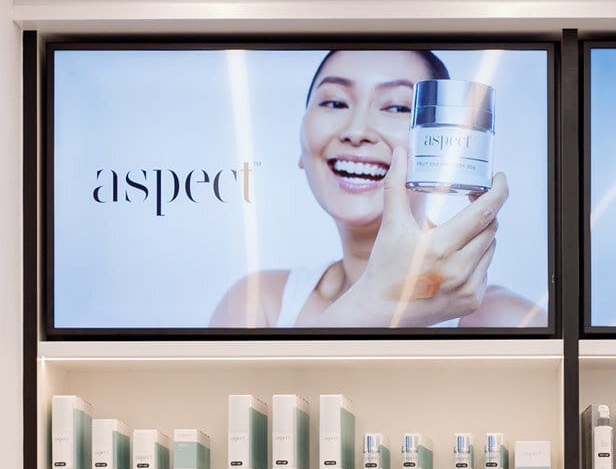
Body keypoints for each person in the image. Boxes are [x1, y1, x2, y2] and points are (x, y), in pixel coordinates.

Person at [211, 47, 542, 328]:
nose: (356, 131)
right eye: (335, 103)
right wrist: (375, 304)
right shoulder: (258, 304)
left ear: (443, 147)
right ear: (302, 144)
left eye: (397, 107)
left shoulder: (507, 320)